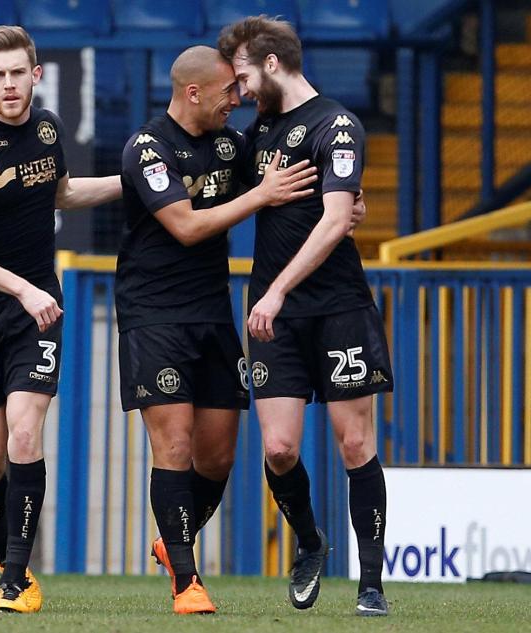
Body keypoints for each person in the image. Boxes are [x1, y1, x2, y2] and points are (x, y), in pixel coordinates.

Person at [115, 45, 320, 614]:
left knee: (217, 457)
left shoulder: (233, 142)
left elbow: (285, 164)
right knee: (174, 445)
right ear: (193, 91)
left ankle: (171, 539)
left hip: (211, 312)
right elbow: (183, 225)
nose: (239, 99)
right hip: (153, 314)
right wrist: (259, 196)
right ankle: (187, 580)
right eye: (229, 91)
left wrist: (345, 202)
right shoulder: (148, 147)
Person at [0, 25, 121, 614]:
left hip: (38, 308)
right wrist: (17, 288)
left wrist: (131, 182)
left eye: (20, 73)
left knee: (24, 432)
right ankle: (6, 554)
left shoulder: (48, 130)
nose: (10, 85)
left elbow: (59, 194)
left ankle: (15, 580)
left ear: (36, 76)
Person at [218, 17, 394, 617]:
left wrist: (276, 290)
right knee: (279, 449)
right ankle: (311, 542)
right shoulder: (258, 133)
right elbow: (217, 188)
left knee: (354, 441)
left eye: (241, 75)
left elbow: (334, 220)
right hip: (276, 318)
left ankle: (370, 586)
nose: (237, 91)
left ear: (271, 63)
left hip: (337, 306)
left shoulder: (335, 125)